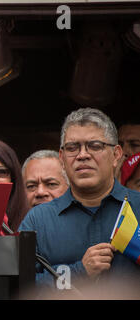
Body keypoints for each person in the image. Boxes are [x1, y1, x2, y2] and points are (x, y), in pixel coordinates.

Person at [19, 107, 140, 291]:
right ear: (62, 158)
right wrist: (79, 271)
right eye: (72, 148)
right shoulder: (39, 220)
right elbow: (18, 287)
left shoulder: (137, 206)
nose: (82, 155)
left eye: (95, 146)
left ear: (116, 154)